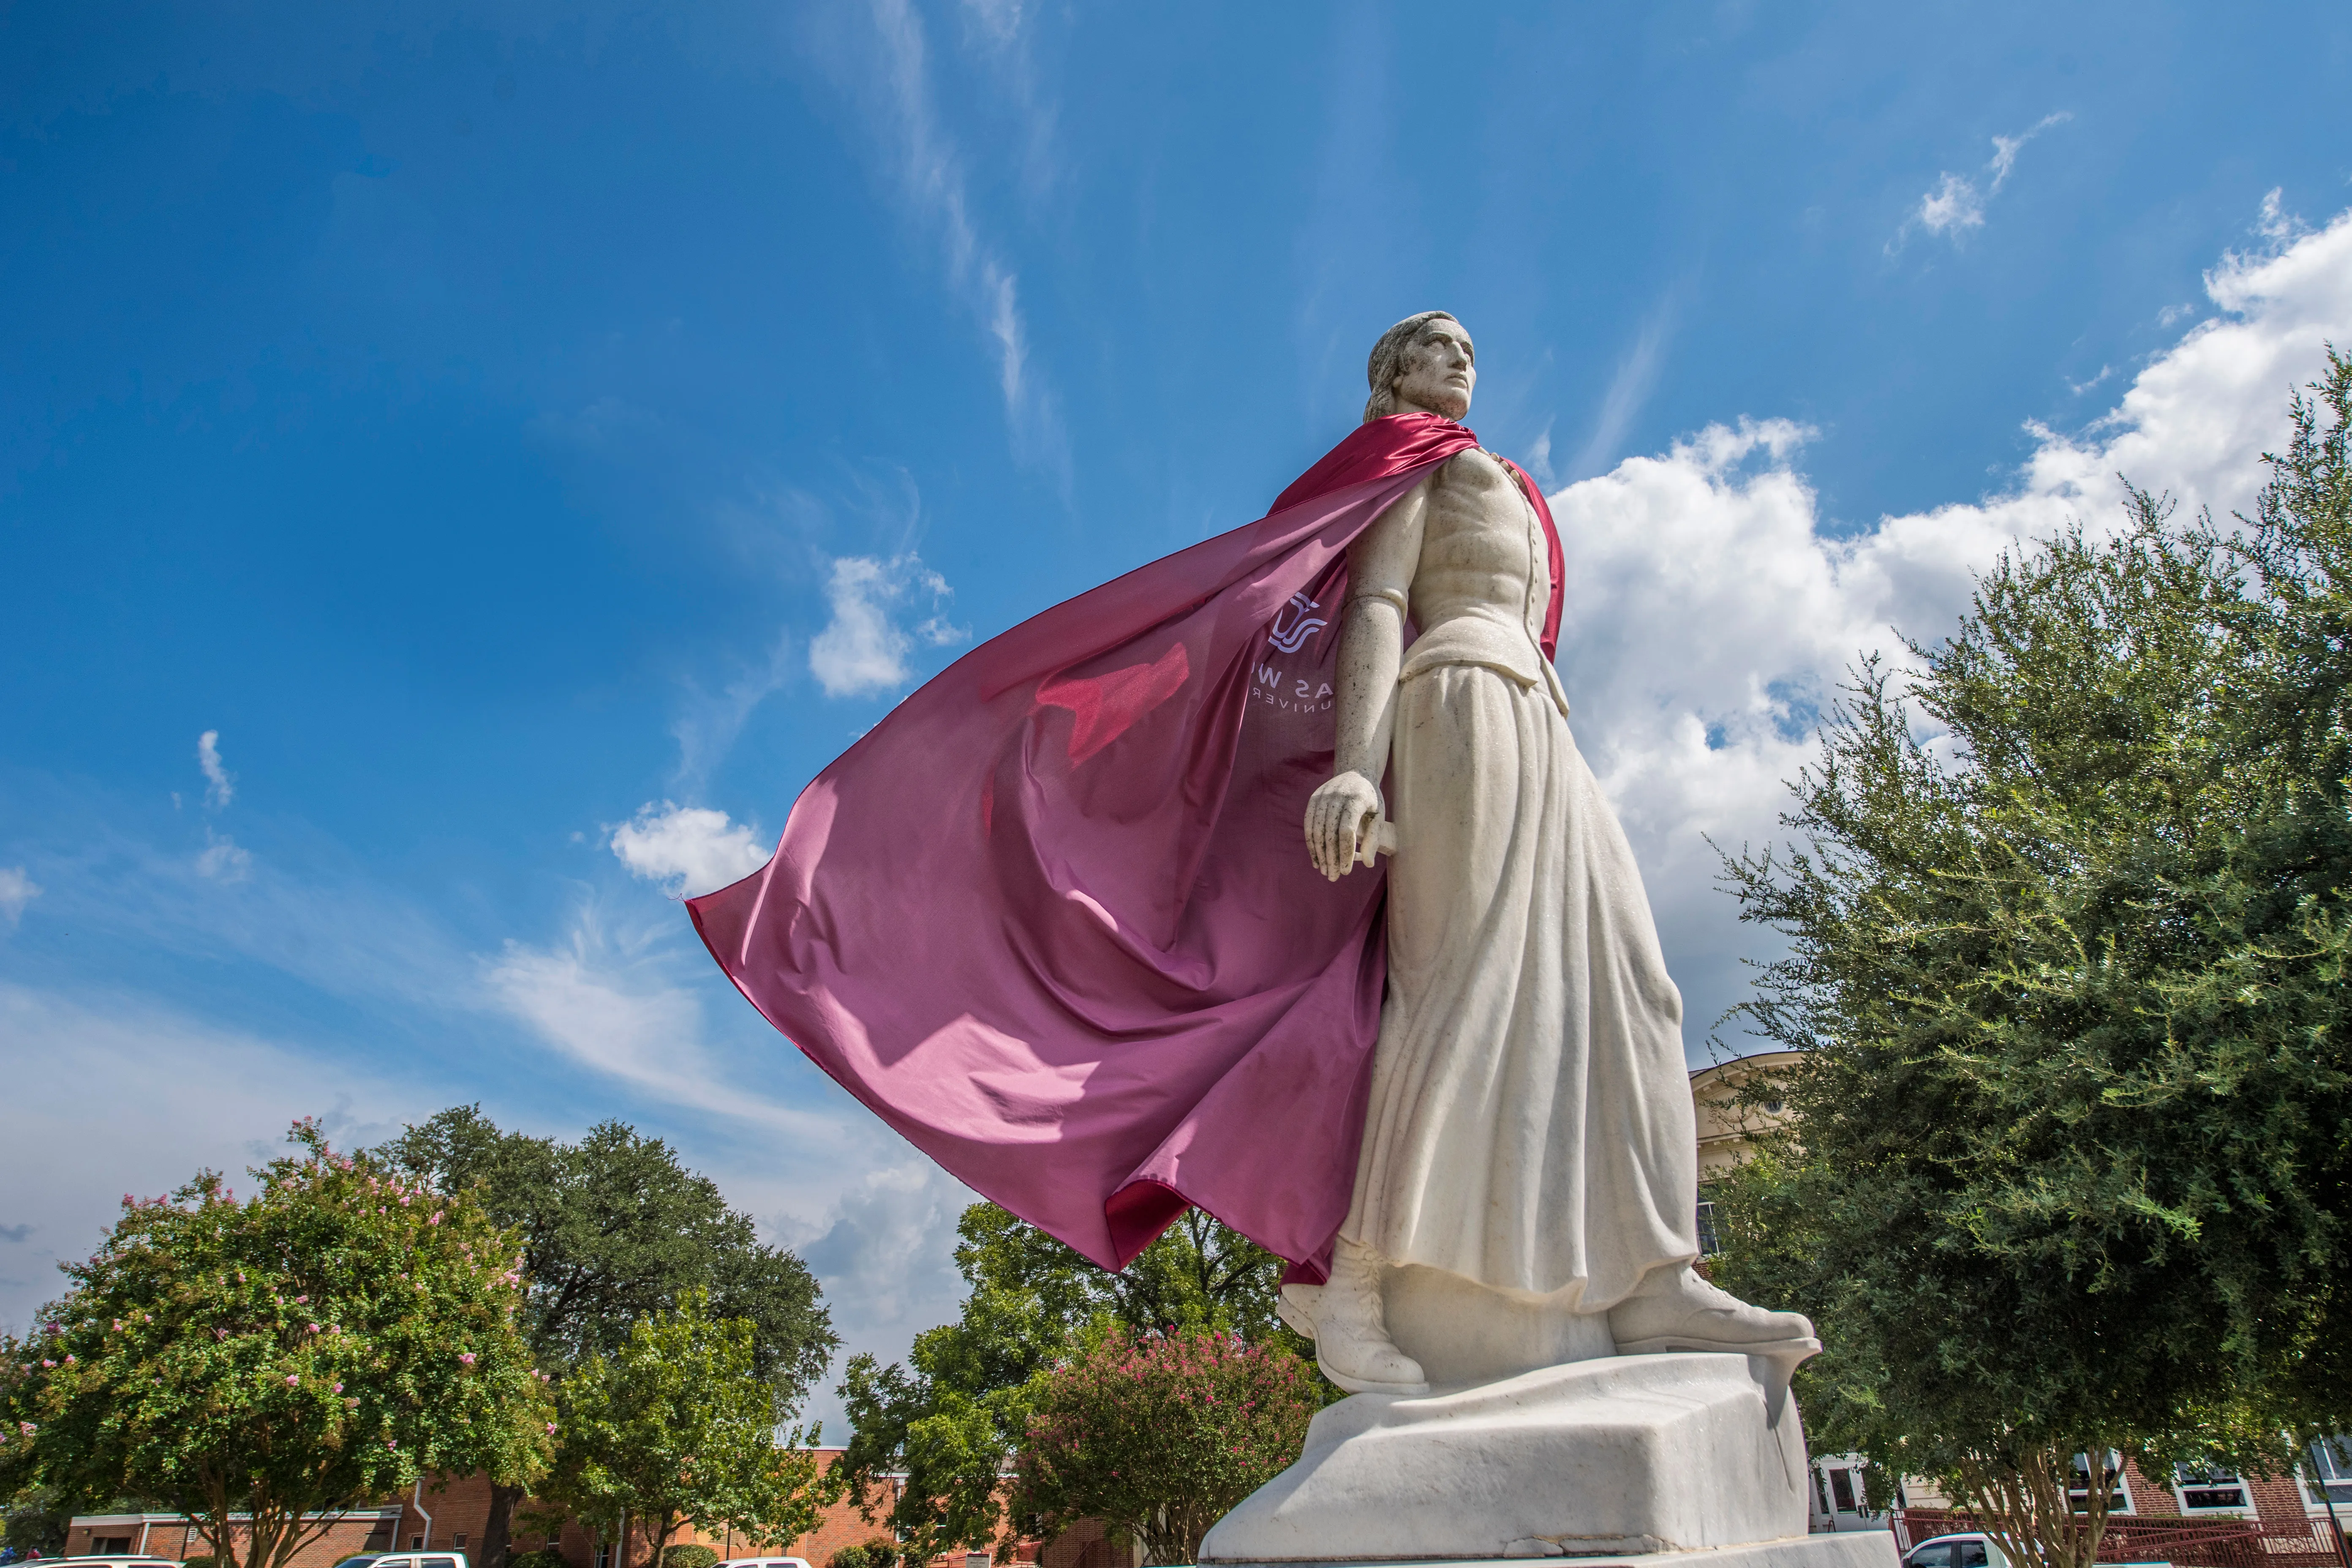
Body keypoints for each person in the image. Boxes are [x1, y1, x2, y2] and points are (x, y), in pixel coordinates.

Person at [1279, 312, 1814, 1393]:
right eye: (1438, 346)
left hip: (1542, 717)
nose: (1463, 359)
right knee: (1456, 984)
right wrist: (1353, 767)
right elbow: (1379, 605)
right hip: (1455, 702)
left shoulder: (1504, 475)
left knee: (1636, 986)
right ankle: (1355, 1285)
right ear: (1391, 376)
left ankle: (1655, 1269)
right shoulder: (1416, 465)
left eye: (1472, 348)